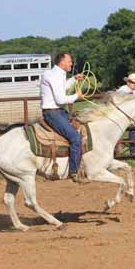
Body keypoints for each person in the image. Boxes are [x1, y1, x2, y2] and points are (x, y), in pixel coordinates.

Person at [40, 53, 86, 182]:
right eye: (70, 61)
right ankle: (74, 172)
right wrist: (77, 97)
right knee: (76, 138)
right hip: (53, 113)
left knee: (81, 125)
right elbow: (60, 99)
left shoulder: (56, 74)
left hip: (57, 111)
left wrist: (74, 79)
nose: (71, 64)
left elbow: (61, 88)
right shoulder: (54, 75)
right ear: (62, 62)